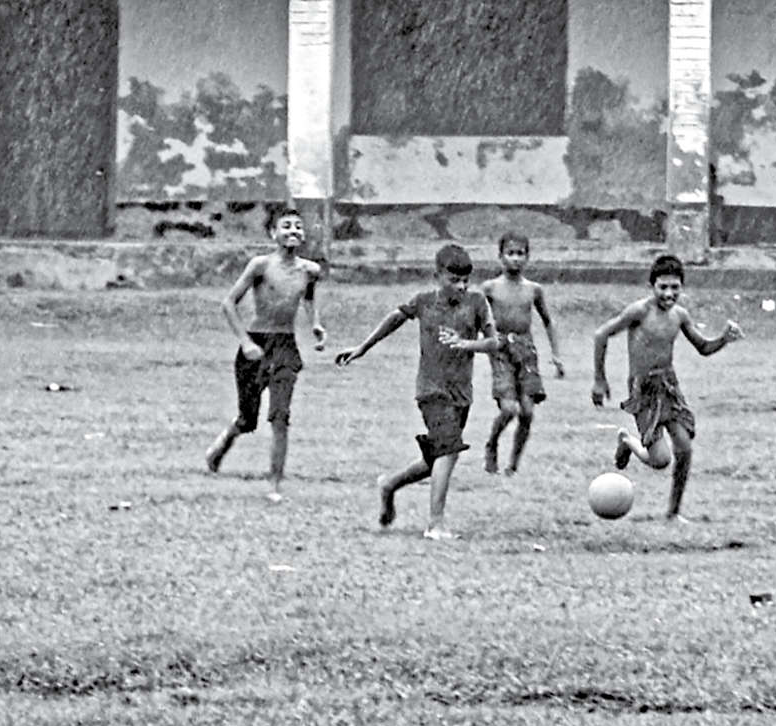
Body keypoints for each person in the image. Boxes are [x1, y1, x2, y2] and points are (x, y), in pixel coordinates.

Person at [334, 244, 500, 540]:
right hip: (431, 391)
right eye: (454, 280)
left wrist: (467, 344)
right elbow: (395, 319)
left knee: (436, 459)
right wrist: (362, 347)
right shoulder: (423, 302)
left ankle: (390, 484)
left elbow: (494, 342)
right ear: (437, 276)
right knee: (449, 451)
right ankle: (435, 524)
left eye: (465, 281)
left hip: (461, 393)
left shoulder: (477, 302)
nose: (461, 287)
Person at [591, 254, 743, 522]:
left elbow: (703, 347)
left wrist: (723, 339)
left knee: (684, 448)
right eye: (663, 287)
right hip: (644, 390)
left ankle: (673, 512)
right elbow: (601, 334)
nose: (669, 294)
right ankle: (628, 441)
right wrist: (599, 380)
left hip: (668, 387)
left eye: (675, 287)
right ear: (652, 286)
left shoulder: (680, 315)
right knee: (660, 460)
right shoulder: (639, 311)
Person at [205, 204, 325, 502]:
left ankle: (274, 484)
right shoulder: (260, 265)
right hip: (257, 344)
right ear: (273, 233)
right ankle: (222, 444)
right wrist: (246, 342)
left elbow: (309, 298)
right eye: (286, 226)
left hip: (285, 346)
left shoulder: (310, 270)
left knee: (280, 417)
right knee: (248, 419)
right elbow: (228, 303)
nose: (293, 231)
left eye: (298, 226)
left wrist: (316, 324)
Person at [480, 232, 565, 475]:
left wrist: (556, 355)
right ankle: (492, 444)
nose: (515, 258)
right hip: (501, 350)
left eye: (520, 254)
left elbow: (548, 321)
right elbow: (477, 318)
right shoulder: (490, 288)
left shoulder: (533, 290)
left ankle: (513, 464)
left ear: (527, 257)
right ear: (500, 256)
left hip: (526, 351)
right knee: (509, 409)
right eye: (510, 253)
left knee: (527, 412)